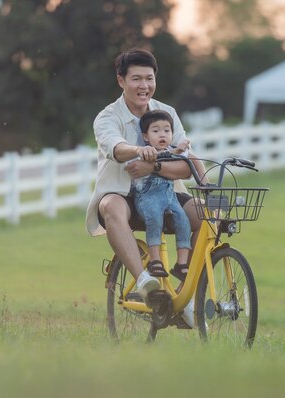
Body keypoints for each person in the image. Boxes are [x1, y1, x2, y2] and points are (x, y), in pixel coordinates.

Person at [85, 48, 205, 322]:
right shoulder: (107, 117)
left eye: (149, 78)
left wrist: (154, 166)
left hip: (166, 195)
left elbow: (186, 165)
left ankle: (186, 294)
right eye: (136, 79)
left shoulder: (167, 113)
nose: (144, 86)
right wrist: (139, 152)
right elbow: (116, 148)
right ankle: (145, 282)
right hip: (123, 196)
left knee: (207, 213)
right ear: (121, 81)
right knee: (110, 204)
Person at [131, 109, 206, 281]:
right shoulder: (146, 151)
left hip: (169, 197)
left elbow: (193, 160)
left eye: (167, 130)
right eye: (155, 131)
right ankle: (155, 260)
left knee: (183, 221)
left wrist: (204, 183)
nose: (162, 134)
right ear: (146, 136)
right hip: (148, 196)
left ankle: (181, 264)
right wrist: (175, 152)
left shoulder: (172, 150)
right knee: (154, 219)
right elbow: (160, 156)